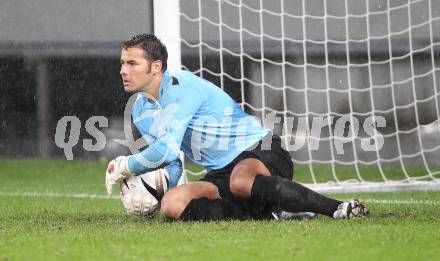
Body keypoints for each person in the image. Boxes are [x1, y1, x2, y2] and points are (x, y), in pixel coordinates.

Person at [105, 34, 369, 221]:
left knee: (241, 180)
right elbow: (172, 160)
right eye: (122, 63)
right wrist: (161, 191)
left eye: (132, 63)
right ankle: (272, 212)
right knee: (172, 206)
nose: (123, 71)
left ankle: (339, 208)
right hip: (220, 172)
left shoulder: (180, 88)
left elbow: (164, 148)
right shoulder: (140, 110)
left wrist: (124, 166)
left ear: (156, 67)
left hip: (260, 150)